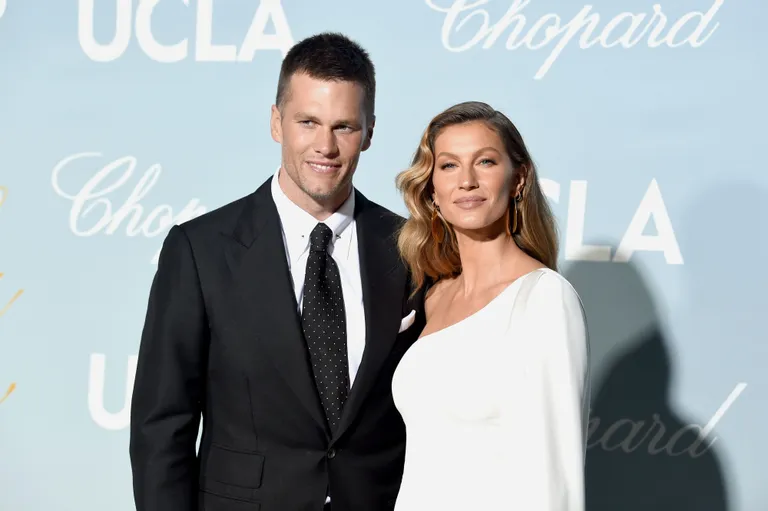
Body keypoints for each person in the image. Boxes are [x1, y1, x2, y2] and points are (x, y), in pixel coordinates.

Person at [129, 32, 425, 511]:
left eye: (344, 126)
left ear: (370, 132)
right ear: (276, 122)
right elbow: (162, 427)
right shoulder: (200, 250)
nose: (324, 146)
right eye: (307, 122)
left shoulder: (411, 250)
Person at [392, 101, 590, 510]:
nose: (466, 181)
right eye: (448, 166)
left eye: (484, 161)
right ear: (431, 191)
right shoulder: (428, 297)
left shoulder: (544, 300)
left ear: (518, 179)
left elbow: (556, 481)